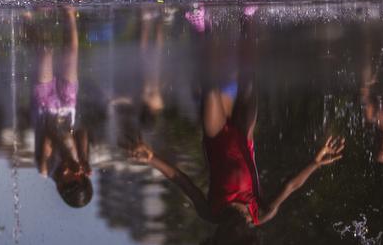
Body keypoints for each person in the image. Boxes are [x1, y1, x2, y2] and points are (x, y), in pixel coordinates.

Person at [128, 18, 344, 238]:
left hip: (215, 136)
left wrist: (152, 158)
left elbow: (181, 180)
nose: (232, 224)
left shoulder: (210, 213)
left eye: (225, 230)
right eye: (237, 230)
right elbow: (289, 186)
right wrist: (315, 163)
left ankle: (203, 22)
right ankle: (247, 16)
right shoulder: (261, 213)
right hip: (243, 133)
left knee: (210, 85)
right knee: (248, 78)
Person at [30, 7, 93, 208]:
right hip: (67, 104)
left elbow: (49, 135)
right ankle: (69, 12)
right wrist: (82, 157)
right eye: (73, 178)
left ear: (59, 187)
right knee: (71, 53)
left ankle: (26, 17)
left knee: (45, 52)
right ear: (82, 176)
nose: (66, 173)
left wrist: (66, 156)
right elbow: (81, 131)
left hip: (44, 105)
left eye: (64, 181)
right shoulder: (79, 162)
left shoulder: (45, 167)